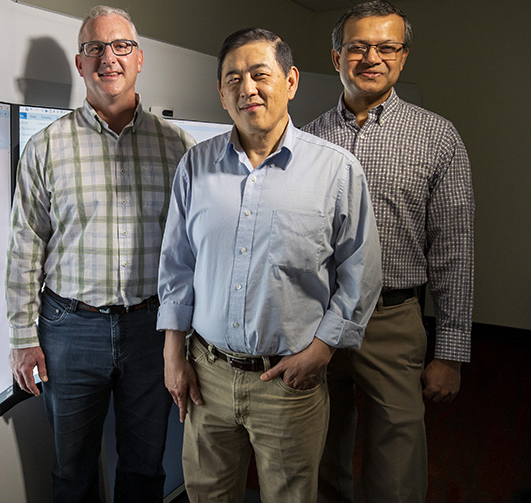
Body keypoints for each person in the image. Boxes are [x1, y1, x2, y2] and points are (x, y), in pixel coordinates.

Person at [158, 28, 382, 503]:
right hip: (208, 378)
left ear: (291, 80)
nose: (248, 88)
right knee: (207, 495)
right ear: (221, 93)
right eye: (233, 79)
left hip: (288, 383)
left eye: (260, 75)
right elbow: (177, 266)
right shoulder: (195, 167)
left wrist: (323, 349)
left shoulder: (336, 171)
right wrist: (172, 353)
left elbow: (360, 274)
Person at [6, 5, 195, 503]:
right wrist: (23, 336)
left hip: (150, 329)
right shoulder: (45, 148)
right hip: (70, 329)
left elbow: (193, 249)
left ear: (138, 60)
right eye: (94, 47)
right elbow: (25, 244)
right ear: (79, 63)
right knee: (72, 470)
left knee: (144, 464)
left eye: (121, 46)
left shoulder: (178, 147)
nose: (108, 57)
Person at [302, 0, 475, 502]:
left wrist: (451, 352)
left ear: (402, 57)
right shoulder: (308, 138)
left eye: (386, 47)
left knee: (396, 460)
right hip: (317, 318)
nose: (371, 57)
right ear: (336, 57)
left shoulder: (437, 137)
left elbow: (455, 249)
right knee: (318, 450)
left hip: (393, 320)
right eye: (357, 46)